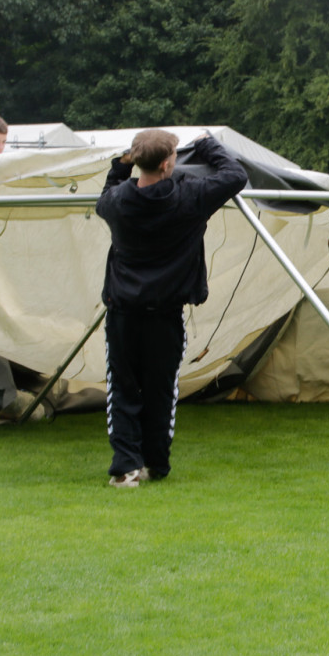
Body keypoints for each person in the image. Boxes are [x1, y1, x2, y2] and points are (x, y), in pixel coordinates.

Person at [95, 130, 247, 488]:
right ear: (166, 164)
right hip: (165, 313)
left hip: (123, 312)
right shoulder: (190, 196)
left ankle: (126, 467)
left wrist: (121, 166)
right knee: (161, 390)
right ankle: (155, 463)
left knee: (123, 388)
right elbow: (236, 175)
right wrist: (207, 143)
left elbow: (106, 194)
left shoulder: (118, 202)